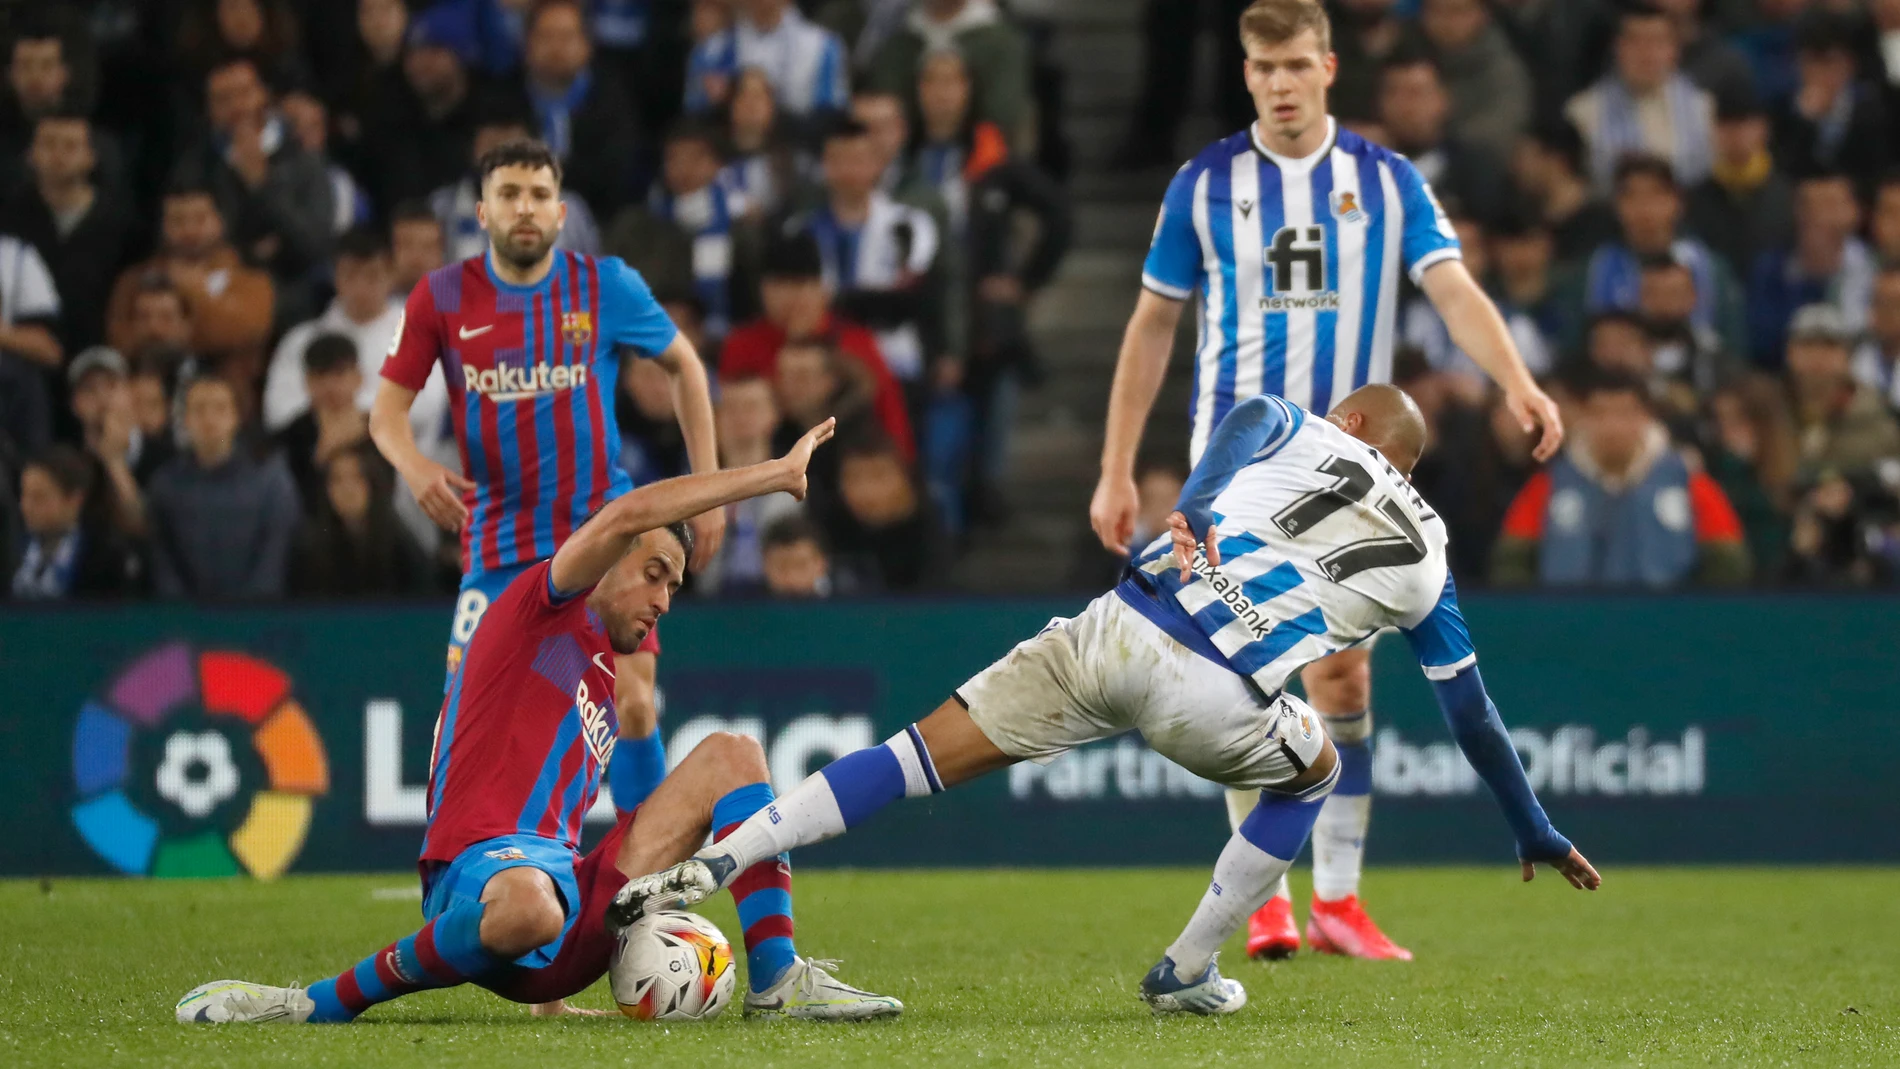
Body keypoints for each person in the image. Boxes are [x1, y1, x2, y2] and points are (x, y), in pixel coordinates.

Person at [615, 386, 1600, 1016]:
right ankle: (1186, 967)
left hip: (1124, 623)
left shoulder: (1311, 434)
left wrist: (1204, 497)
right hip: (1217, 697)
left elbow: (1254, 413)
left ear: (1350, 425)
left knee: (915, 754)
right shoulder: (1430, 560)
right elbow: (1470, 715)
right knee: (1317, 767)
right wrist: (1534, 827)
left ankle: (725, 854)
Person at [1089, 0, 1563, 963]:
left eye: (1297, 65)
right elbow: (1151, 324)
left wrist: (1515, 380)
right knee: (1241, 657)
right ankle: (1262, 899)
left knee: (1344, 670)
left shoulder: (1385, 182)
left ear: (1330, 67)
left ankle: (1339, 902)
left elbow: (1451, 285)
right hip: (1237, 458)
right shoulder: (1204, 184)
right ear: (1247, 73)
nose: (1281, 85)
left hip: (1346, 468)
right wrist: (1114, 465)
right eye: (1264, 69)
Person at [177, 417, 902, 1024]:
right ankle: (317, 1001)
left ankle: (776, 981)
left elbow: (613, 815)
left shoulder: (600, 672)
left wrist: (574, 975)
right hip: (480, 881)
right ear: (612, 554)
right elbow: (627, 514)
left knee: (734, 754)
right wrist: (772, 474)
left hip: (567, 896)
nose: (664, 599)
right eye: (654, 573)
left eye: (675, 586)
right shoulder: (539, 610)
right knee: (531, 907)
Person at [368, 137, 724, 699]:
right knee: (479, 706)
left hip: (603, 531)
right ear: (483, 213)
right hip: (499, 545)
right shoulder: (440, 297)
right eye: (509, 194)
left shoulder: (606, 285)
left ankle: (632, 790)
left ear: (560, 213)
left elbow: (687, 369)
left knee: (631, 705)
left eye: (539, 194)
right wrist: (414, 466)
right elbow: (385, 414)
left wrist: (707, 488)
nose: (526, 208)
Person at [1493, 371, 1751, 588]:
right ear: (1583, 418)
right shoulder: (1551, 485)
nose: (1612, 426)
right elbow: (1511, 564)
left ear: (1646, 417)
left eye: (1624, 414)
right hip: (1570, 631)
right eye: (1600, 413)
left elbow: (1729, 565)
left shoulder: (1686, 482)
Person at [720, 230, 915, 461]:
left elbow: (891, 417)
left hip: (845, 463)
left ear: (820, 288)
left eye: (800, 283)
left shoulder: (855, 342)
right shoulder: (742, 345)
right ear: (762, 290)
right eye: (778, 284)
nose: (789, 296)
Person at [172, 57, 335, 303]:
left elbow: (314, 245)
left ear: (264, 94)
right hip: (218, 293)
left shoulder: (303, 158)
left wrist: (261, 184)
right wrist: (255, 250)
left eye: (244, 93)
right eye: (223, 99)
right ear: (210, 109)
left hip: (295, 291)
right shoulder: (195, 167)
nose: (236, 107)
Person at [263, 228, 440, 434]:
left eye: (372, 275)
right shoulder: (300, 340)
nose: (361, 287)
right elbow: (278, 410)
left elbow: (427, 406)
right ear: (335, 276)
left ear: (392, 275)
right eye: (351, 275)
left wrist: (353, 414)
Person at [104, 185, 274, 395]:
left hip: (224, 403)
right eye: (178, 221)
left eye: (200, 219)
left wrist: (192, 298)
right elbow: (118, 339)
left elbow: (245, 331)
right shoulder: (134, 280)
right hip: (144, 395)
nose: (189, 230)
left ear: (220, 220)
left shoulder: (250, 280)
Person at [146, 375, 302, 600]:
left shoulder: (271, 481)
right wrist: (180, 613)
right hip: (186, 623)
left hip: (257, 618)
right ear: (185, 419)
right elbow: (162, 560)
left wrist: (250, 612)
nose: (209, 419)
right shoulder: (166, 484)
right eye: (199, 410)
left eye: (220, 408)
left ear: (235, 417)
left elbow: (275, 557)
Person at [0, 113, 138, 355]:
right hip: (26, 353)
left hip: (99, 351)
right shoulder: (9, 218)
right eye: (49, 144)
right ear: (31, 155)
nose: (58, 155)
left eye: (70, 146)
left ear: (91, 157)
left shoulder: (121, 221)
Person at [1564, 4, 1716, 194]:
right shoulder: (1584, 112)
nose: (1647, 54)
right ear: (1618, 48)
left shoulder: (1702, 107)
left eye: (1657, 42)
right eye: (1636, 41)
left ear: (1674, 49)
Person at [520, 0, 642, 220]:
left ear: (588, 45)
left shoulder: (614, 101)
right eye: (546, 36)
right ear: (527, 44)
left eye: (567, 37)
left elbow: (616, 177)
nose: (556, 47)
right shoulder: (505, 103)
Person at [433, 109, 603, 264]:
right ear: (471, 151)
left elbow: (593, 279)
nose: (503, 160)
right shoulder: (441, 208)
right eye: (491, 146)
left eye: (513, 148)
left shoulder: (570, 210)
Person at [1748, 172, 1878, 367]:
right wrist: (1811, 279)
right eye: (1810, 206)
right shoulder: (1770, 270)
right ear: (1797, 212)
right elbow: (1761, 342)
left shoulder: (1874, 269)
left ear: (1854, 212)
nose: (1820, 216)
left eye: (1831, 205)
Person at [864, 0, 1031, 144]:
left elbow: (1003, 117)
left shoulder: (999, 43)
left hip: (977, 160)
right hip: (902, 158)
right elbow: (884, 106)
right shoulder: (901, 41)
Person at [698, 376, 802, 595]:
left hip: (778, 608)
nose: (741, 417)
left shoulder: (797, 487)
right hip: (703, 609)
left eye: (751, 407)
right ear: (714, 417)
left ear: (775, 414)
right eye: (731, 408)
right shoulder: (694, 490)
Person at [289, 441, 431, 598]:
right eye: (337, 480)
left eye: (357, 478)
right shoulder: (310, 550)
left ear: (372, 484)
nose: (348, 489)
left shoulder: (400, 547)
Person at [9, 443, 142, 600]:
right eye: (24, 496)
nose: (26, 507)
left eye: (39, 497)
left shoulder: (105, 559)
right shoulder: (10, 553)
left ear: (74, 500)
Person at [1685, 93, 1796, 282]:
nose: (1735, 134)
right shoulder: (1694, 197)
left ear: (1763, 130)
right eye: (1726, 126)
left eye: (1744, 125)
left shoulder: (1788, 195)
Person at [684, 0, 849, 119]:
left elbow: (830, 118)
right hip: (728, 155)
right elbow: (695, 118)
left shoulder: (822, 47)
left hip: (797, 154)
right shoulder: (710, 51)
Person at [273, 334, 369, 507]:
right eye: (321, 376)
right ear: (307, 382)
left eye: (339, 374)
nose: (330, 386)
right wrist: (324, 453)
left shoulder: (381, 431)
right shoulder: (290, 437)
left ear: (358, 378)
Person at [760, 511, 834, 597]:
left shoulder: (844, 601)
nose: (792, 578)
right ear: (764, 563)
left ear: (821, 563)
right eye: (782, 567)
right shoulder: (745, 602)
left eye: (800, 565)